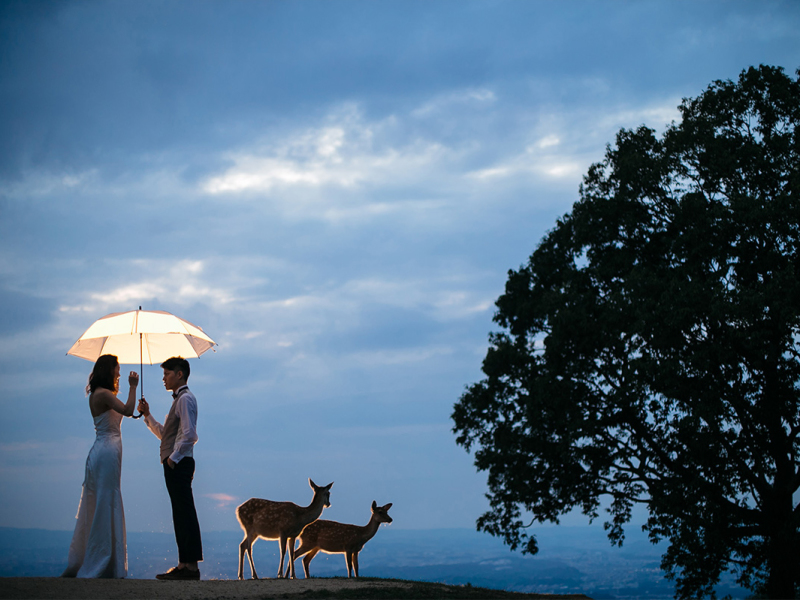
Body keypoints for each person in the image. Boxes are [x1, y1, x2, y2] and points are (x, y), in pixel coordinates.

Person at [62, 354, 138, 578]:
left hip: (103, 449)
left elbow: (122, 414)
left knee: (101, 501)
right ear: (109, 370)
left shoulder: (100, 394)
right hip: (107, 451)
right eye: (117, 368)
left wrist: (138, 408)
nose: (119, 373)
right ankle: (102, 560)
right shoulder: (103, 394)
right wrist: (133, 387)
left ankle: (98, 557)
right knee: (106, 501)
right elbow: (126, 410)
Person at [137, 356, 203, 580]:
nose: (163, 378)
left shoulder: (185, 399)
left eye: (166, 374)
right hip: (176, 463)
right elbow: (167, 435)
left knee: (184, 513)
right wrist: (147, 415)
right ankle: (184, 564)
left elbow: (190, 435)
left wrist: (173, 459)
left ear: (179, 374)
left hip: (179, 464)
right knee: (180, 514)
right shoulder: (179, 400)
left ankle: (190, 567)